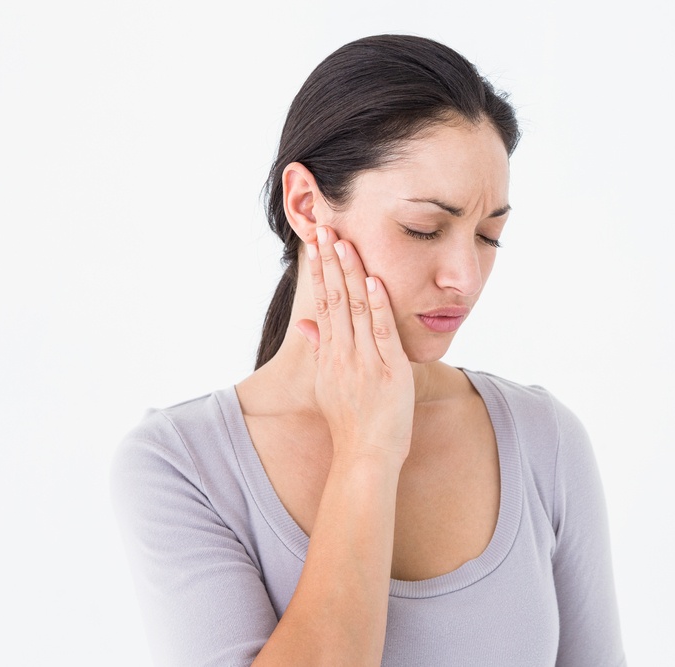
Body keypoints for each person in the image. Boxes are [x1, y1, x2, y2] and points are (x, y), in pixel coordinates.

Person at [111, 34, 625, 667]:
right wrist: (367, 452)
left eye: (490, 235)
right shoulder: (181, 465)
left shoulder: (542, 438)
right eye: (424, 229)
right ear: (305, 205)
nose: (463, 276)